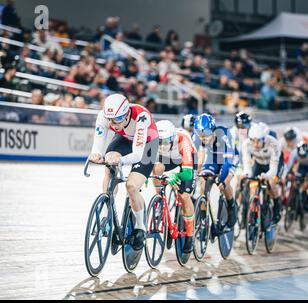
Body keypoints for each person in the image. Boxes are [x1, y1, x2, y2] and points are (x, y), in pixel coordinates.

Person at [88, 93, 159, 251]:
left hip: (147, 145)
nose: (113, 123)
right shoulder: (104, 116)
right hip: (125, 139)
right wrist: (97, 154)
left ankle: (140, 227)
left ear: (127, 114)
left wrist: (119, 161)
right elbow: (98, 142)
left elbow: (138, 154)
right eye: (110, 119)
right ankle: (108, 213)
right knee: (109, 166)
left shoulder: (141, 116)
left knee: (132, 186)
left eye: (117, 119)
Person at [153, 120, 197, 253]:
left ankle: (190, 236)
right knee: (156, 169)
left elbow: (188, 174)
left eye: (165, 142)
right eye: (159, 142)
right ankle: (159, 201)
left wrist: (176, 175)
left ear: (172, 139)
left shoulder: (183, 141)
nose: (161, 146)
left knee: (184, 196)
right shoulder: (157, 142)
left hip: (186, 161)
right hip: (168, 159)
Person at [193, 114, 238, 232]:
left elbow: (228, 162)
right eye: (199, 133)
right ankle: (203, 218)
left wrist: (223, 180)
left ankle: (231, 206)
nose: (203, 137)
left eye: (206, 132)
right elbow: (192, 157)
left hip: (229, 158)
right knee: (203, 182)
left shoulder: (224, 134)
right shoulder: (196, 137)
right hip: (213, 158)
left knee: (224, 183)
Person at [243, 122, 284, 225]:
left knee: (271, 183)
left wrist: (267, 176)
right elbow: (247, 163)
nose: (255, 144)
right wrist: (248, 174)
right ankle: (253, 212)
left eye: (258, 141)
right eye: (253, 141)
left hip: (273, 164)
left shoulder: (274, 144)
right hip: (259, 163)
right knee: (253, 186)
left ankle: (277, 206)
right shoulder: (246, 144)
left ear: (264, 139)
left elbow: (273, 169)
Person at [283, 141, 308, 212]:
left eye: (304, 156)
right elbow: (288, 167)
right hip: (302, 166)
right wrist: (286, 176)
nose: (303, 158)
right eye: (301, 156)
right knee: (296, 181)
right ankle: (293, 201)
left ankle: (307, 202)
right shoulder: (294, 153)